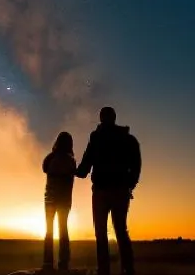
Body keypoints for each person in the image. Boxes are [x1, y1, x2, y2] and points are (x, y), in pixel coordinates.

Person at [76, 107, 141, 275]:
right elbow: (136, 165)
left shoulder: (96, 138)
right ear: (114, 118)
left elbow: (84, 168)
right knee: (120, 230)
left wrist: (70, 169)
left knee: (101, 233)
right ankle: (128, 270)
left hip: (101, 191)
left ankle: (104, 270)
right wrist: (129, 185)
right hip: (120, 191)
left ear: (101, 118)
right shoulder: (128, 139)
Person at [42, 131, 76, 272]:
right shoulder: (70, 160)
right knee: (63, 230)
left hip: (50, 199)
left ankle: (48, 263)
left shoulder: (51, 157)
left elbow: (44, 168)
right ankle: (63, 264)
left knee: (49, 231)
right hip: (64, 200)